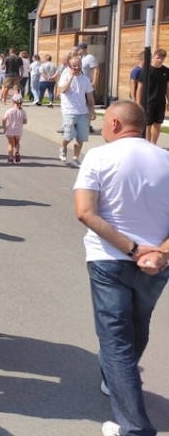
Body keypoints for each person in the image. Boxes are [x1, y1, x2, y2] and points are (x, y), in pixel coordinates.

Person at [72, 100, 169, 436]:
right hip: (156, 265)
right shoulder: (167, 158)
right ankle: (114, 382)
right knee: (138, 323)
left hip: (109, 259)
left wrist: (131, 247)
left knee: (115, 339)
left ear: (114, 125)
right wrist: (160, 253)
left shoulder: (99, 156)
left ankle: (134, 428)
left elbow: (85, 212)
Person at [58, 54, 95, 167]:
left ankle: (76, 158)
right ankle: (63, 147)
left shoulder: (85, 79)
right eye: (73, 66)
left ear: (81, 65)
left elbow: (89, 96)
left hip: (82, 111)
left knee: (81, 136)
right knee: (68, 135)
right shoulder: (65, 76)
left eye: (78, 65)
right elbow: (62, 90)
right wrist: (71, 77)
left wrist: (92, 111)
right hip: (68, 110)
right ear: (69, 65)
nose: (76, 68)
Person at [135, 48, 168, 145]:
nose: (160, 60)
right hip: (148, 101)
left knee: (158, 123)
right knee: (148, 124)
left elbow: (167, 87)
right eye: (158, 58)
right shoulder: (146, 70)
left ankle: (154, 144)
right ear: (153, 57)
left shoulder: (166, 71)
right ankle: (147, 144)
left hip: (160, 101)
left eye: (162, 59)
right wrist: (138, 102)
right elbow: (140, 87)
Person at [2, 93, 27, 164]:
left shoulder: (9, 111)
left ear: (13, 102)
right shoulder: (23, 111)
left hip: (10, 129)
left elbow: (4, 119)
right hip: (18, 130)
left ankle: (10, 158)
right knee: (17, 142)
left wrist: (4, 128)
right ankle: (17, 152)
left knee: (10, 144)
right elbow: (25, 121)